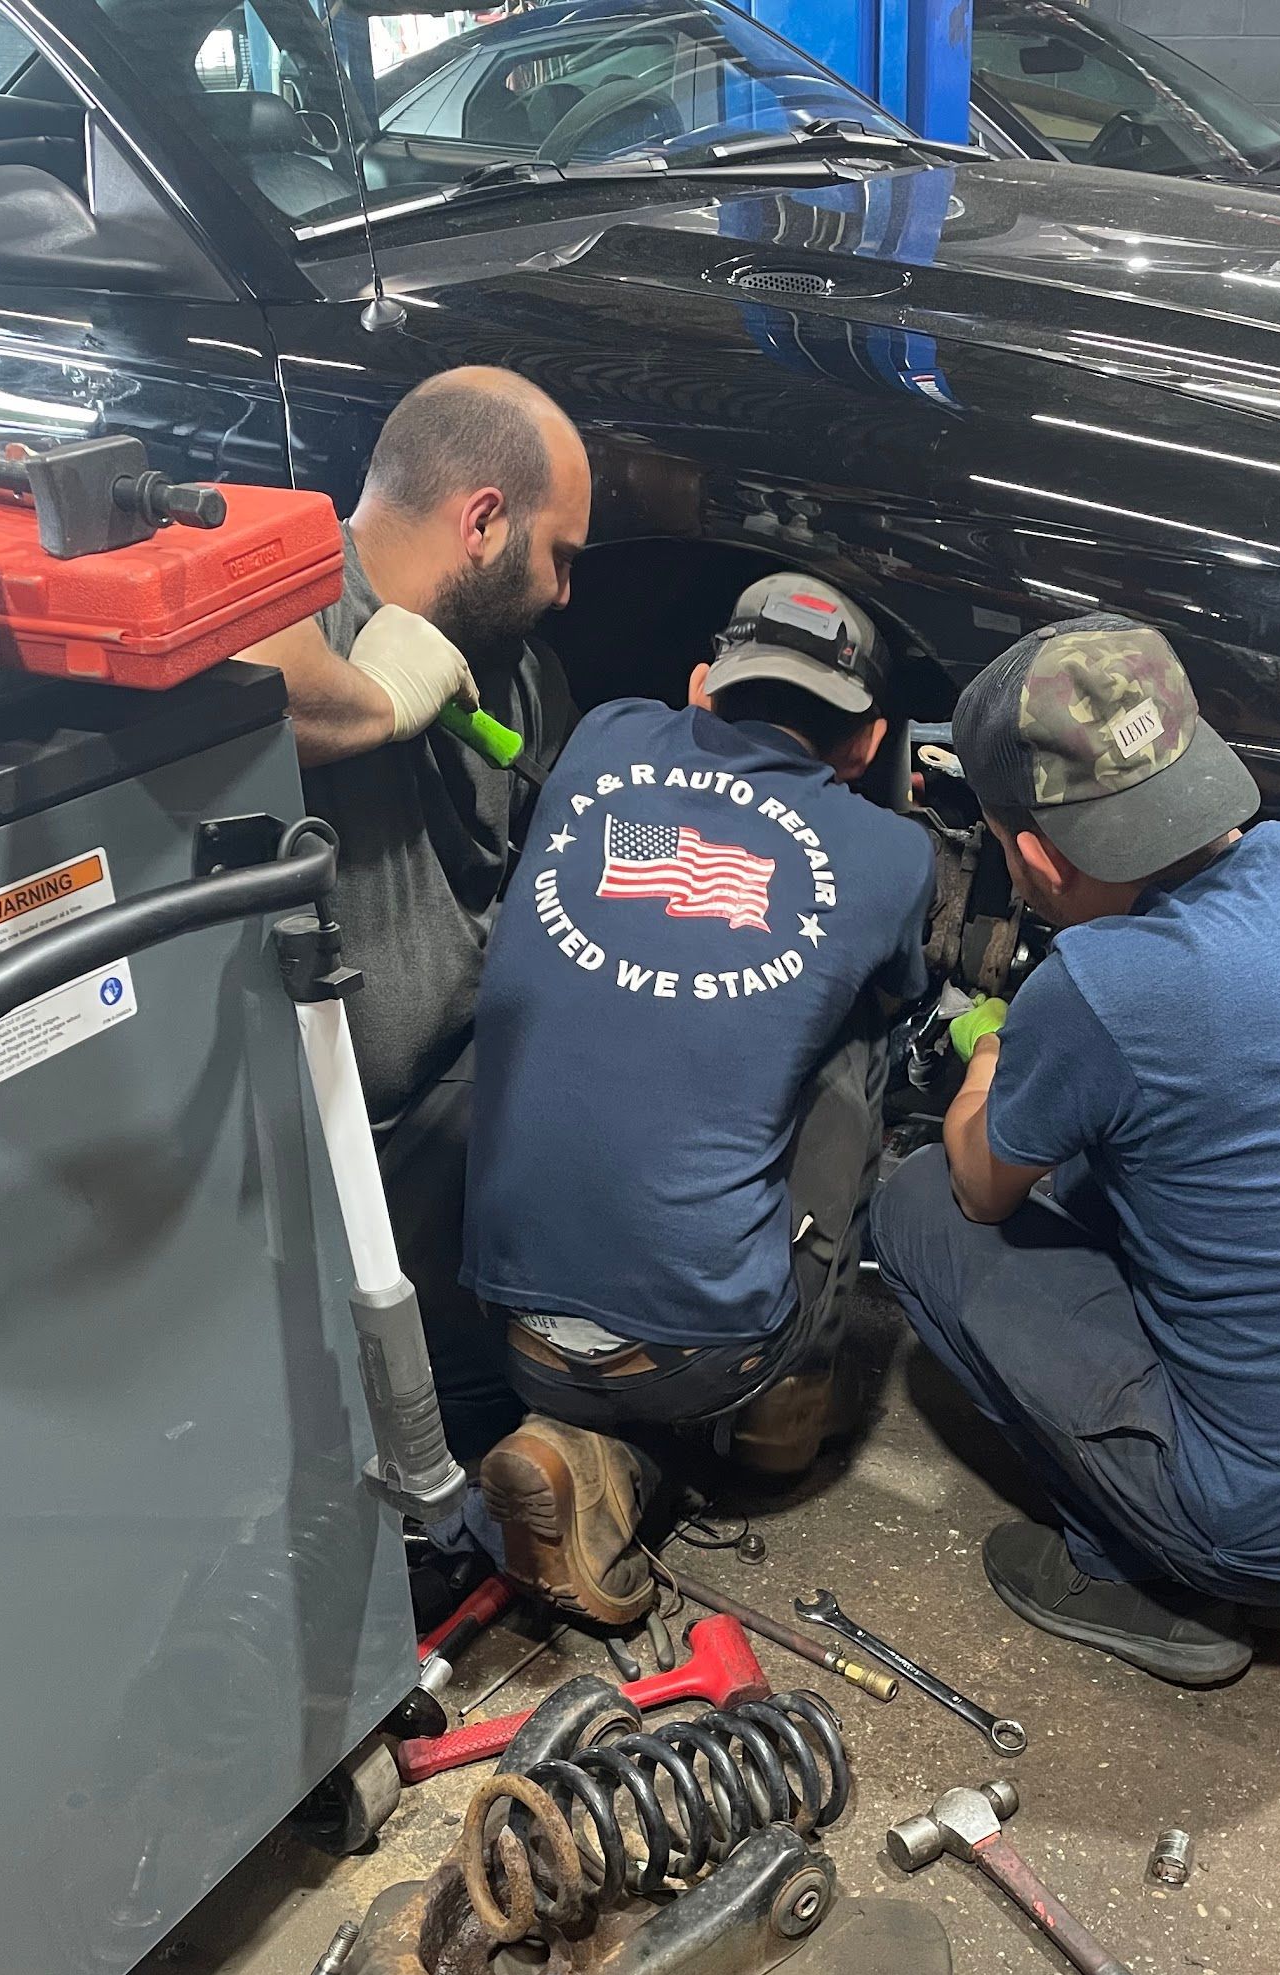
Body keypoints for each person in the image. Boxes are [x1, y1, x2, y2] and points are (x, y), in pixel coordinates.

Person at [869, 613, 1280, 1689]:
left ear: (1031, 854)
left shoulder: (1102, 985)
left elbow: (983, 1187)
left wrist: (992, 1057)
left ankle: (1133, 1573)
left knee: (916, 1209)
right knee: (1131, 1148)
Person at [459, 574, 935, 1622]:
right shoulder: (893, 853)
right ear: (868, 744)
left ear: (699, 687)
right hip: (697, 1356)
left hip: (497, 1313)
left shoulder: (606, 736)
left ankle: (572, 1433)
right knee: (863, 1034)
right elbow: (906, 986)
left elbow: (660, 893)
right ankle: (772, 1409)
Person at [242, 365, 592, 1457]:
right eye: (560, 557)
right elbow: (240, 670)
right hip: (336, 1151)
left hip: (464, 1089)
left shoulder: (517, 670)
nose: (567, 592)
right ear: (483, 520)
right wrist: (378, 701)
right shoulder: (300, 596)